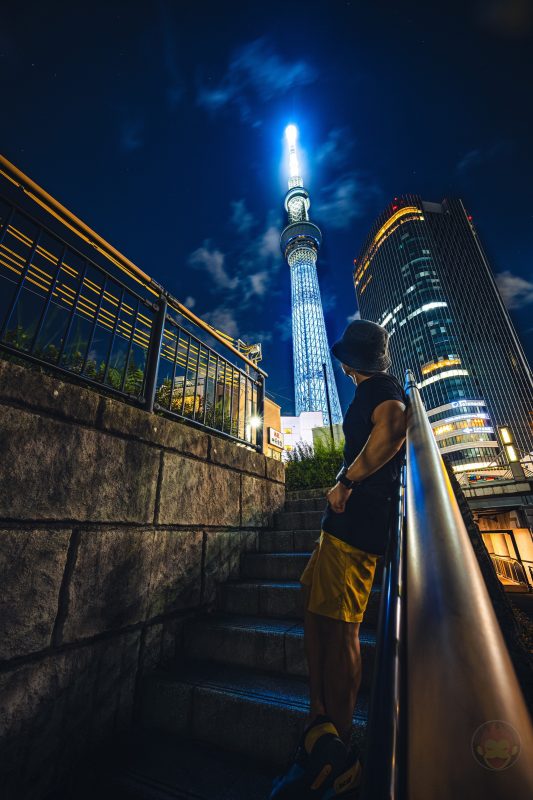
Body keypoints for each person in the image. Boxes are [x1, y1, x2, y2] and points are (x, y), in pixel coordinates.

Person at [270, 319, 407, 799]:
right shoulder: (370, 386)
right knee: (313, 607)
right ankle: (318, 723)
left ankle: (338, 751)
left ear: (350, 360)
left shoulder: (384, 389)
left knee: (342, 626)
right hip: (341, 526)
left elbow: (394, 427)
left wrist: (346, 482)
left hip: (357, 524)